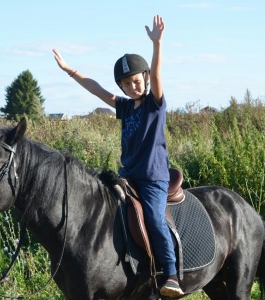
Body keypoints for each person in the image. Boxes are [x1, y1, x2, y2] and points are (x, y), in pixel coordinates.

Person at [53, 15, 184, 298]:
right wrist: (69, 70)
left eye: (136, 81)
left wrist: (157, 44)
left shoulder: (154, 104)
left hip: (152, 179)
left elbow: (159, 75)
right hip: (127, 176)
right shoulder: (125, 107)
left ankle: (170, 273)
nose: (133, 87)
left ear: (145, 79)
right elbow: (98, 90)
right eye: (126, 84)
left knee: (153, 217)